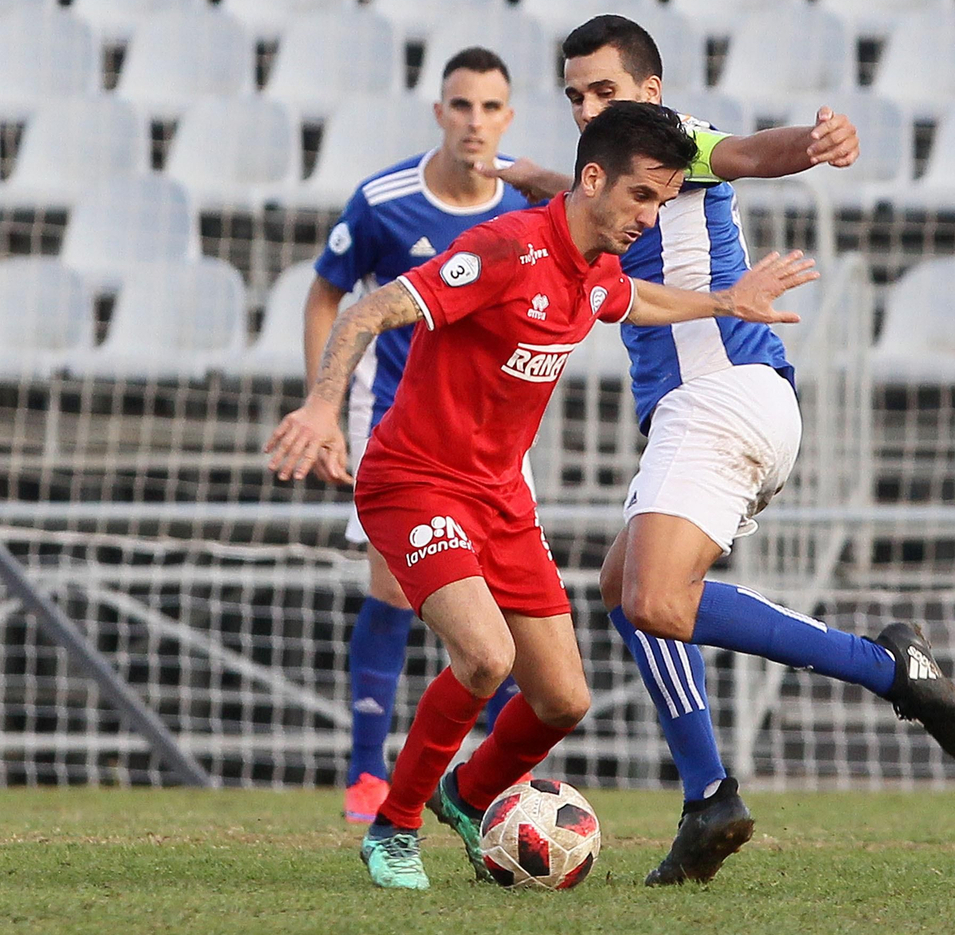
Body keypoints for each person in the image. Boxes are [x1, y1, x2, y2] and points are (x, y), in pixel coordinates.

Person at [266, 102, 819, 890]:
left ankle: (467, 794)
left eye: (660, 203)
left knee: (563, 700)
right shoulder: (503, 248)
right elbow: (368, 309)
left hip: (499, 499)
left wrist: (727, 304)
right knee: (486, 657)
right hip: (415, 481)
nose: (646, 217)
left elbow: (637, 297)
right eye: (638, 198)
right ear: (592, 178)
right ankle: (392, 829)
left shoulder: (592, 272)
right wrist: (323, 407)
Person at [482, 14, 955, 886]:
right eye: (574, 95)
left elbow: (746, 153)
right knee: (624, 588)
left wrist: (814, 143)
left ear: (652, 93)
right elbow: (601, 200)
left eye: (605, 90)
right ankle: (709, 795)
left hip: (721, 399)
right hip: (719, 408)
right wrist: (538, 180)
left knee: (657, 597)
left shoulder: (679, 141)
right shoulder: (623, 174)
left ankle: (885, 665)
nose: (586, 105)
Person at [304, 46, 532, 823]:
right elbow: (326, 297)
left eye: (490, 107)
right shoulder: (385, 200)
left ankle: (498, 775)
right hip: (393, 426)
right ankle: (368, 772)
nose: (475, 122)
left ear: (509, 116)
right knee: (394, 586)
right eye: (461, 106)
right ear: (439, 112)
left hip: (492, 434)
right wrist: (323, 407)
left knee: (494, 609)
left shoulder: (525, 208)